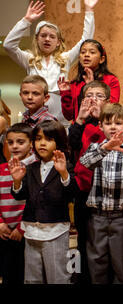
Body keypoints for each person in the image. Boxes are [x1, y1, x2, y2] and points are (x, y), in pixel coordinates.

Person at [3, 0, 99, 128]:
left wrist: (89, 10)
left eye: (52, 37)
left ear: (58, 42)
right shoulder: (29, 59)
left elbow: (86, 39)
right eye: (43, 36)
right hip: (35, 110)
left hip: (60, 111)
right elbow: (8, 45)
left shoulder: (65, 58)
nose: (47, 39)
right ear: (37, 39)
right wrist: (26, 21)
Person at [79, 103, 123, 284]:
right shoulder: (96, 148)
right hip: (97, 217)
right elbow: (85, 163)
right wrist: (106, 148)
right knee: (96, 261)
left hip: (122, 218)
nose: (113, 127)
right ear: (101, 126)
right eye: (108, 123)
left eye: (119, 123)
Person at [10, 120, 76, 284]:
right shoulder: (31, 168)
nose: (42, 143)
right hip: (32, 230)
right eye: (38, 139)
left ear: (58, 142)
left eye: (48, 139)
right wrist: (17, 182)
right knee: (32, 279)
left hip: (55, 231)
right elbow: (20, 195)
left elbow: (71, 194)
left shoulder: (65, 166)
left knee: (58, 277)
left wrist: (63, 174)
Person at [67, 80, 111, 284]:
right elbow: (72, 145)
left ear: (108, 101)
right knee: (82, 237)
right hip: (83, 188)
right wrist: (79, 119)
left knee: (103, 239)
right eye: (89, 95)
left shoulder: (111, 124)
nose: (93, 99)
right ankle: (79, 276)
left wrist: (101, 119)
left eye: (99, 96)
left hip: (106, 190)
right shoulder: (79, 124)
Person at [0, 123, 37, 284]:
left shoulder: (35, 169)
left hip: (26, 231)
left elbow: (36, 202)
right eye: (10, 142)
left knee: (26, 274)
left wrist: (22, 227)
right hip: (4, 231)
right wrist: (0, 223)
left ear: (31, 144)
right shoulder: (1, 169)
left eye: (20, 142)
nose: (14, 146)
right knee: (8, 274)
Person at [60, 39, 120, 122]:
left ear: (102, 59)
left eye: (92, 52)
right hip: (79, 130)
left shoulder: (111, 80)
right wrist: (65, 93)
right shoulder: (75, 83)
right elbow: (69, 116)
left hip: (101, 129)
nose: (86, 55)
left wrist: (92, 85)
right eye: (83, 52)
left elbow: (112, 109)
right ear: (79, 58)